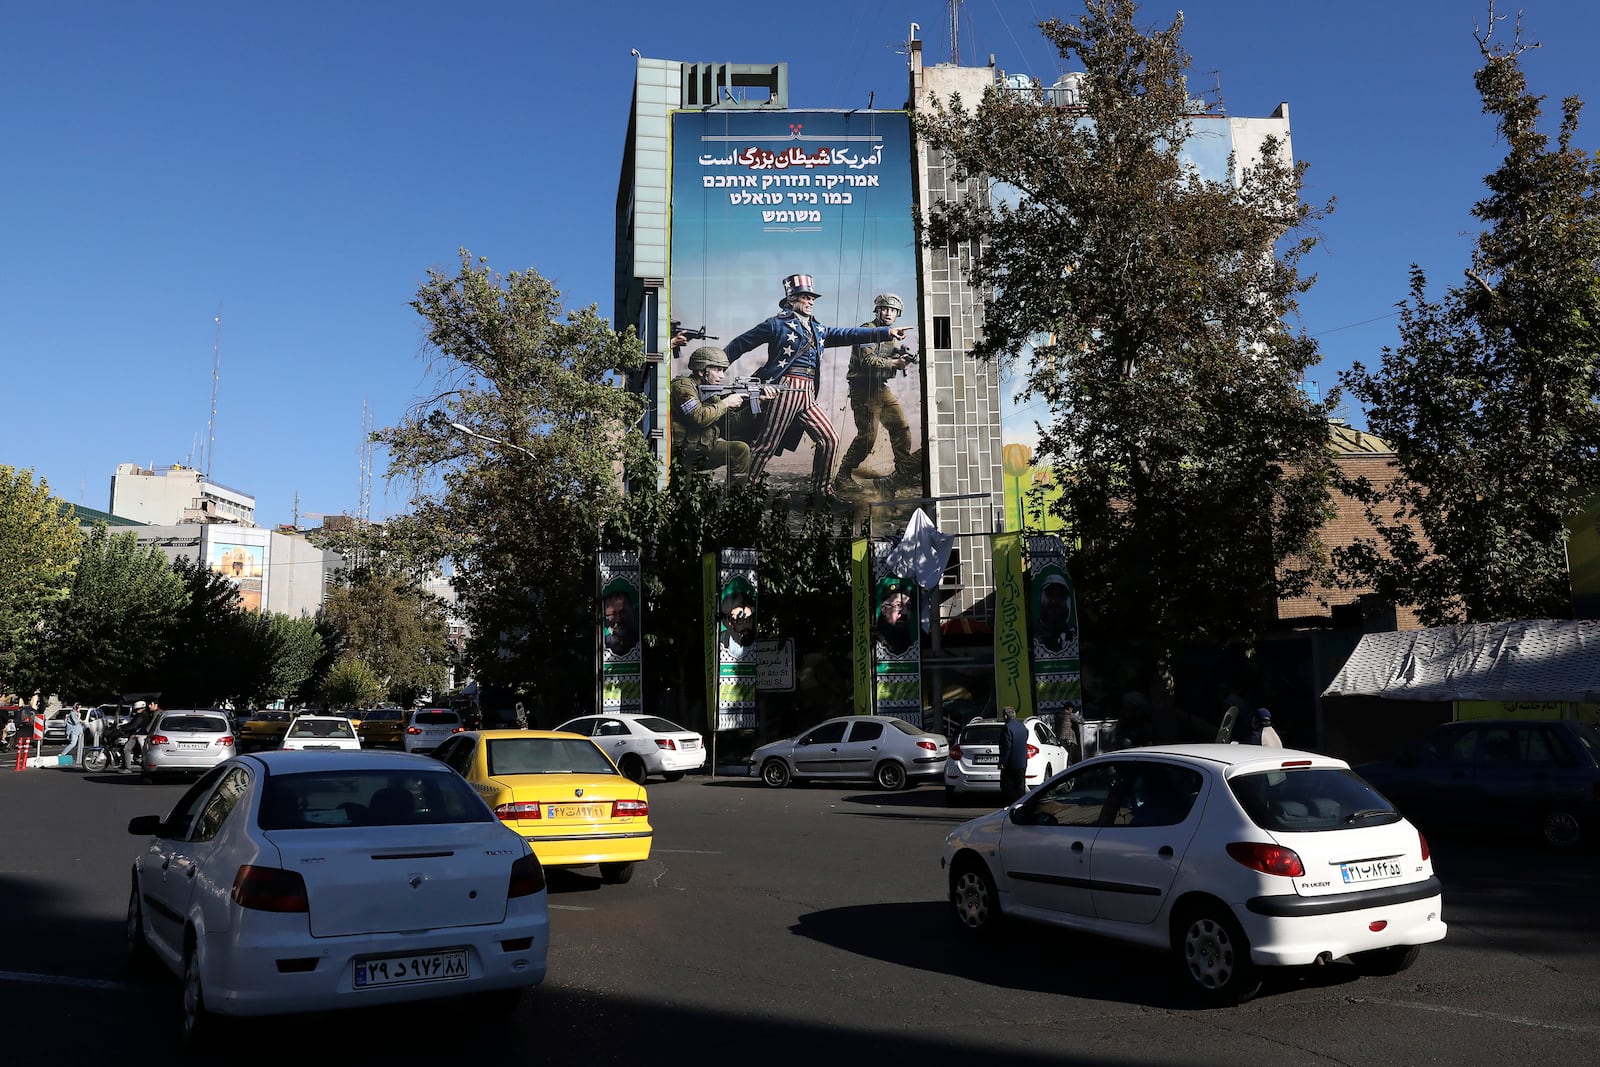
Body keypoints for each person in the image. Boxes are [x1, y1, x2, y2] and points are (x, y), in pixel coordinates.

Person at [721, 274, 911, 498]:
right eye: (805, 297)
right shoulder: (776, 324)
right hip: (786, 388)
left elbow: (847, 334)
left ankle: (821, 492)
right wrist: (716, 366)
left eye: (812, 298)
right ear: (791, 300)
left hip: (808, 392)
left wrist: (885, 332)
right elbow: (742, 343)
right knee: (766, 443)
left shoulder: (817, 329)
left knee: (829, 439)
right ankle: (743, 493)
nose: (810, 301)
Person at [834, 293, 916, 492]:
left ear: (898, 314)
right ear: (877, 311)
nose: (888, 313)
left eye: (893, 310)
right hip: (862, 388)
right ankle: (843, 475)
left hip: (880, 388)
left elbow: (889, 355)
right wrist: (895, 363)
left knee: (900, 427)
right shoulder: (867, 331)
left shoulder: (891, 334)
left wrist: (903, 356)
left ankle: (902, 473)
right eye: (884, 309)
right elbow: (867, 361)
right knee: (868, 436)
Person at [670, 345, 753, 478]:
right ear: (702, 371)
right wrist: (726, 402)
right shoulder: (682, 387)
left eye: (723, 371)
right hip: (682, 456)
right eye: (718, 370)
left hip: (703, 450)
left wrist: (758, 402)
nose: (721, 376)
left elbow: (731, 424)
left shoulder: (711, 392)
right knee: (684, 496)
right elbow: (699, 417)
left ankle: (735, 497)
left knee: (740, 449)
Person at [873, 576, 916, 656]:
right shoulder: (875, 643)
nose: (905, 612)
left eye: (908, 606)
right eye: (898, 605)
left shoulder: (911, 644)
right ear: (884, 610)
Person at [997, 706, 1030, 804]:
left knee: (1007, 787)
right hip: (1022, 762)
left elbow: (1007, 747)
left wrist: (1002, 761)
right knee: (1020, 787)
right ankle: (1021, 805)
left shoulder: (1007, 728)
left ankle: (1012, 807)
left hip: (1010, 763)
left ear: (1006, 716)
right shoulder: (1022, 726)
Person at [718, 581, 758, 655]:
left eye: (749, 619)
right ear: (727, 622)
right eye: (739, 620)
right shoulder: (718, 641)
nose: (745, 626)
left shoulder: (756, 644)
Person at [602, 584, 640, 658]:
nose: (618, 619)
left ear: (631, 612)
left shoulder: (639, 641)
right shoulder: (604, 642)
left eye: (623, 612)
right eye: (612, 614)